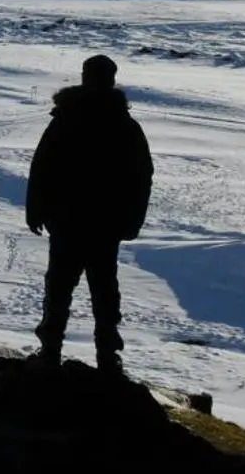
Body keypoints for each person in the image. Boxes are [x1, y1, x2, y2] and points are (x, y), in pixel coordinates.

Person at [24, 54, 153, 373]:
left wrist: (36, 210)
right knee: (99, 290)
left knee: (66, 289)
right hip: (99, 224)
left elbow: (41, 168)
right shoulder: (122, 125)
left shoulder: (69, 118)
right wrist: (133, 219)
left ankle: (55, 352)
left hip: (75, 221)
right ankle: (102, 357)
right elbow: (142, 176)